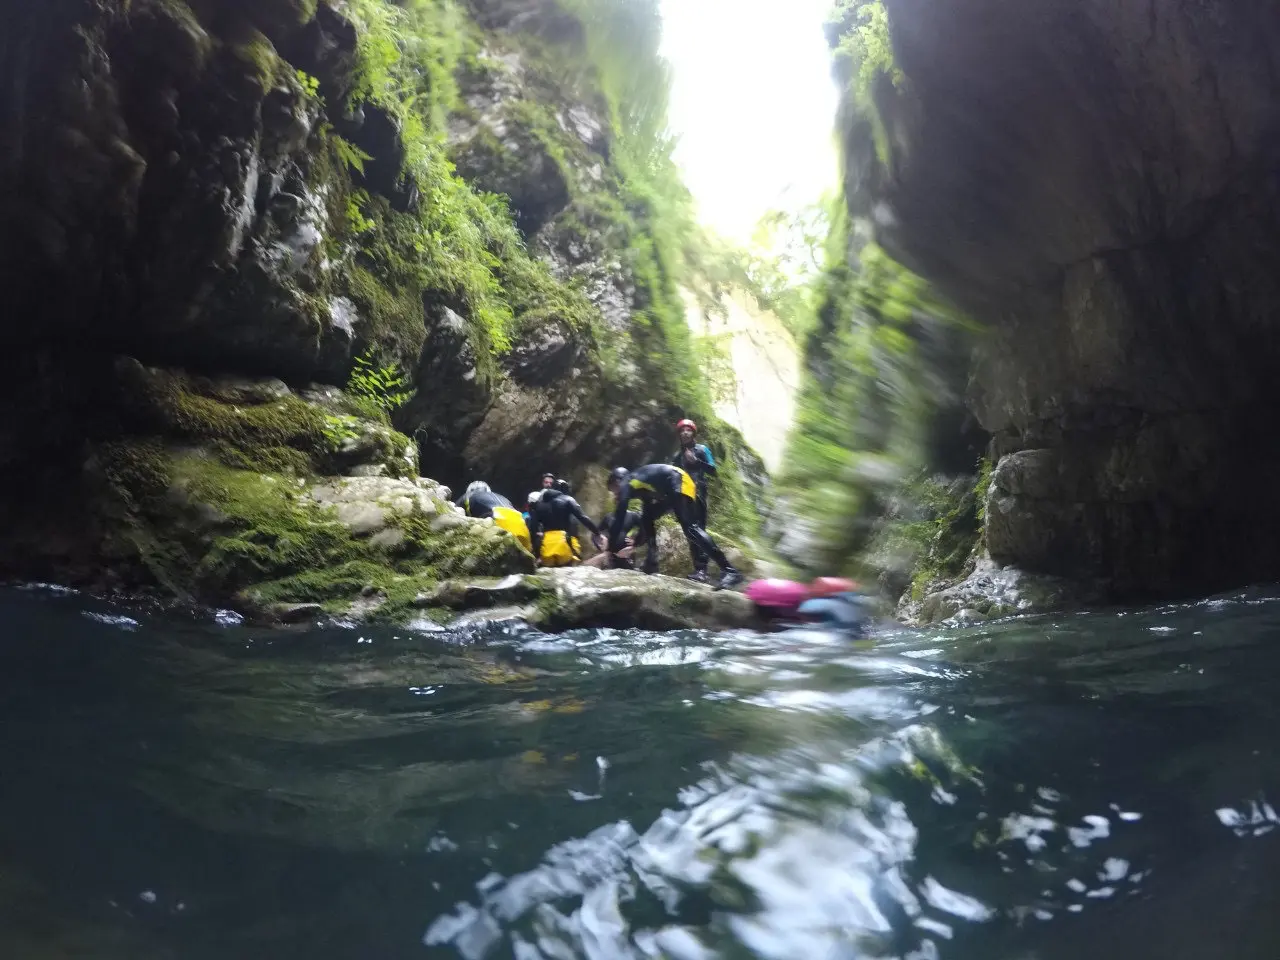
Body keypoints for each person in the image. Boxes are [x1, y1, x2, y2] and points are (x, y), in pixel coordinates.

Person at [606, 464, 743, 589]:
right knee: (647, 516)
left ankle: (730, 571)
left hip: (678, 481)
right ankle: (651, 563)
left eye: (613, 490)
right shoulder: (642, 486)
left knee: (690, 529)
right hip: (672, 487)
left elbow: (619, 518)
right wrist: (636, 542)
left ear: (618, 481)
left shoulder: (628, 481)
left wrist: (610, 549)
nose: (615, 494)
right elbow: (646, 520)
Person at [669, 419, 718, 583]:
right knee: (689, 531)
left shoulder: (702, 449)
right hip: (683, 495)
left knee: (698, 529)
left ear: (693, 433)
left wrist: (696, 462)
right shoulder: (678, 456)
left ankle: (703, 570)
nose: (685, 433)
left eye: (688, 430)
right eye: (682, 430)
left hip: (698, 492)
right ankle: (698, 569)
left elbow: (713, 470)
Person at [529, 481, 604, 567]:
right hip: (565, 546)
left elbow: (533, 529)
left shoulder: (539, 505)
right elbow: (583, 518)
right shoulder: (568, 499)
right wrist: (597, 532)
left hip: (546, 551)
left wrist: (537, 552)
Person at [455, 481, 532, 553]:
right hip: (523, 529)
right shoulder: (503, 498)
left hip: (500, 528)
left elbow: (453, 512)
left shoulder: (468, 496)